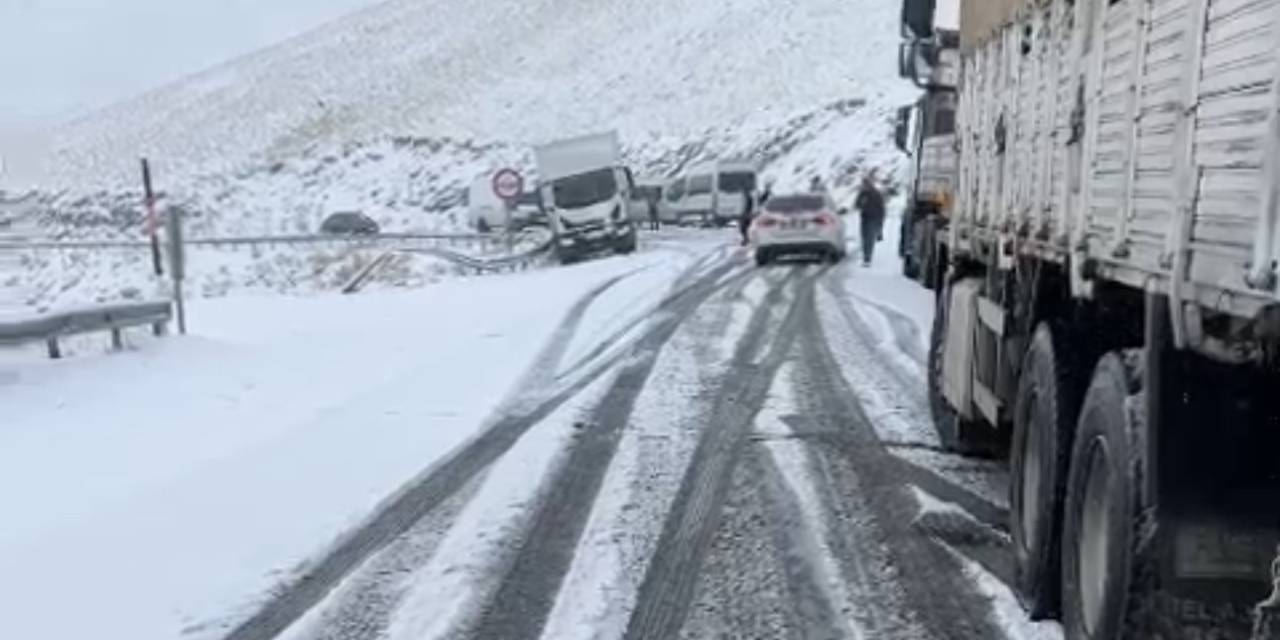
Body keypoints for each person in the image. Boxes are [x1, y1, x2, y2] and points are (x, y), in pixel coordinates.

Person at [854, 173, 886, 266]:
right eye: (864, 184)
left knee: (869, 238)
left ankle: (867, 258)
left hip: (873, 219)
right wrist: (861, 203)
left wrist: (880, 221)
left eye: (866, 183)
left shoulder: (876, 194)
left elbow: (882, 208)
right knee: (864, 238)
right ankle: (866, 257)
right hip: (865, 218)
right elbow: (856, 205)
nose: (865, 185)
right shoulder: (862, 193)